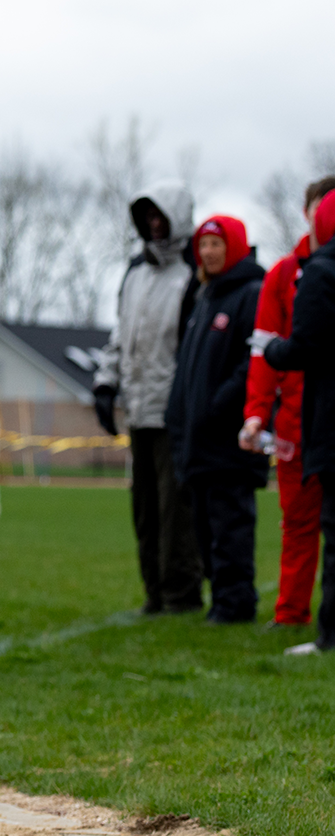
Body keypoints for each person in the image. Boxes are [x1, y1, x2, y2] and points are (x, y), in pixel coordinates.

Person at [94, 182, 205, 616]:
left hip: (172, 415)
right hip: (138, 411)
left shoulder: (190, 278)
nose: (155, 224)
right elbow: (121, 336)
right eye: (148, 217)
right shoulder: (134, 275)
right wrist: (106, 385)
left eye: (161, 216)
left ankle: (182, 594)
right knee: (144, 509)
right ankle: (154, 593)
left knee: (175, 510)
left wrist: (184, 404)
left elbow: (191, 352)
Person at [241, 177, 335, 628]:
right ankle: (291, 613)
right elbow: (264, 350)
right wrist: (256, 413)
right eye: (318, 206)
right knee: (297, 523)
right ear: (307, 213)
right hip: (296, 424)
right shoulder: (283, 274)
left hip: (328, 417)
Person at [167, 215, 268, 624]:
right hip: (198, 443)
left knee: (231, 528)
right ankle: (222, 599)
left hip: (228, 442)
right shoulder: (203, 299)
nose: (208, 253)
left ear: (234, 247)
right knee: (205, 529)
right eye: (203, 246)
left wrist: (219, 405)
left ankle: (236, 604)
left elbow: (252, 363)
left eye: (216, 244)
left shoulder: (251, 294)